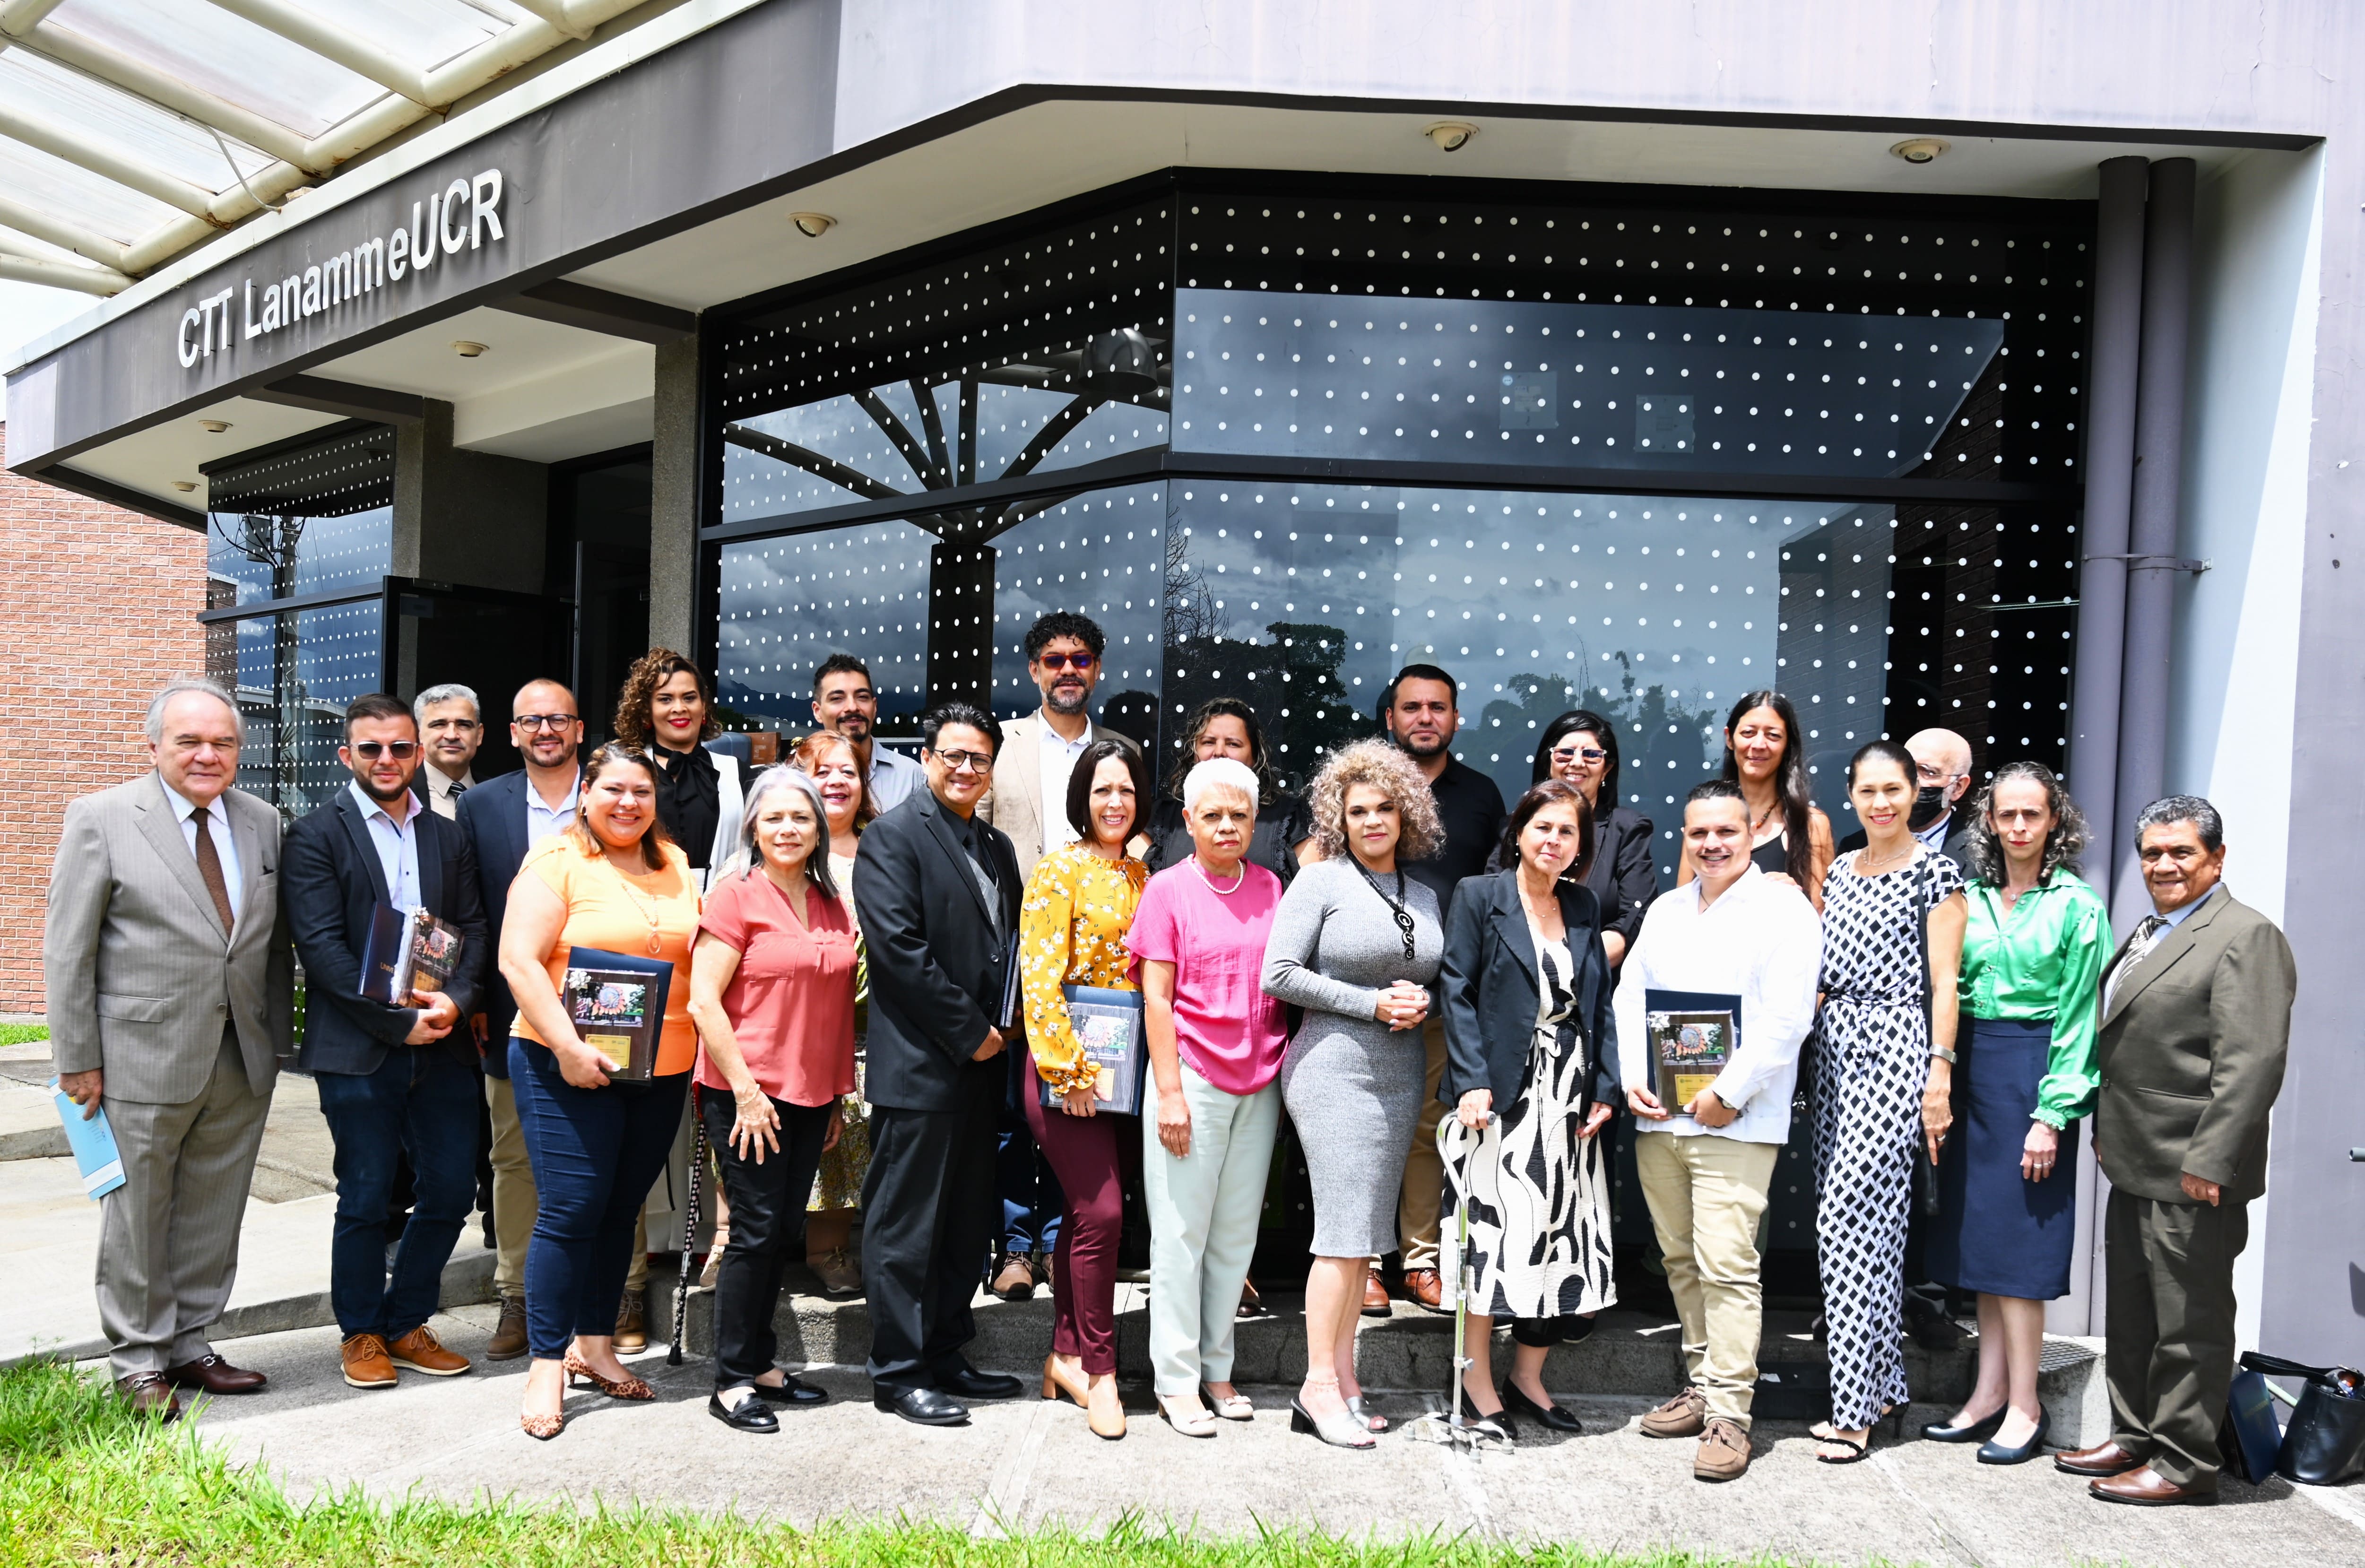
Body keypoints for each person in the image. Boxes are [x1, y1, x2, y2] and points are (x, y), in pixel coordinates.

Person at [45, 677, 295, 1419]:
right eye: (189, 740)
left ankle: (190, 1344)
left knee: (213, 1211)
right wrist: (77, 1058)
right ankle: (136, 1361)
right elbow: (68, 951)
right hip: (137, 1058)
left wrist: (276, 1039)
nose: (207, 754)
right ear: (153, 745)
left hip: (240, 1054)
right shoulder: (102, 817)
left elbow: (271, 945)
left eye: (223, 742)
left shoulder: (262, 820)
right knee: (138, 1216)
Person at [2053, 797, 2295, 1507]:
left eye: (2180, 852)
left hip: (2193, 1170)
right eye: (2152, 853)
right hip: (2133, 1160)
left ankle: (2185, 1463)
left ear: (2215, 858)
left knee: (2187, 1324)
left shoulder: (2244, 937)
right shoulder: (2153, 930)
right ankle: (2134, 1437)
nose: (2163, 865)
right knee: (2133, 1315)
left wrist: (2211, 1160)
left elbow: (2250, 1062)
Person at [1615, 780, 1823, 1482]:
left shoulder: (1782, 908)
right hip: (1660, 1115)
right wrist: (1629, 1077)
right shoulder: (1669, 909)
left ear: (1750, 834)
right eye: (1697, 833)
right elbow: (1629, 997)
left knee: (1728, 1265)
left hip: (1735, 1120)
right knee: (1677, 1259)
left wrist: (1728, 1093)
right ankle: (1701, 1384)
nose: (1710, 844)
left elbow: (1787, 1017)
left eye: (1724, 833)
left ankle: (1731, 1414)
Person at [280, 693, 488, 1390]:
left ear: (418, 753)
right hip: (359, 1049)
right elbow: (323, 951)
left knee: (452, 1190)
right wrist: (400, 1023)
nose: (387, 760)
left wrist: (454, 1005)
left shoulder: (449, 835)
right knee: (368, 1195)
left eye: (400, 747)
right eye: (371, 748)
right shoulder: (314, 835)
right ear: (347, 755)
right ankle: (362, 1331)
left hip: (445, 1045)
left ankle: (407, 1322)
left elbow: (474, 930)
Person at [497, 741, 701, 1440]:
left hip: (659, 1065)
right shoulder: (555, 861)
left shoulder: (672, 863)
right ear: (586, 792)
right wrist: (567, 1047)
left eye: (641, 792)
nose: (627, 804)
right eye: (613, 789)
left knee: (621, 1210)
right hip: (564, 1061)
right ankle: (546, 1362)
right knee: (571, 1207)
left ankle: (595, 1346)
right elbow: (517, 961)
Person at [1920, 762, 2108, 1464]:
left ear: (2054, 820)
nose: (2019, 827)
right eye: (2006, 815)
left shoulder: (2077, 906)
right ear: (1989, 821)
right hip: (1972, 1071)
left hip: (2033, 1076)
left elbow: (2079, 1017)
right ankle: (1987, 1392)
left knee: (2022, 1254)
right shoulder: (1967, 896)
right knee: (1984, 1251)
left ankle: (2025, 1405)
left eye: (2032, 814)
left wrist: (2051, 1113)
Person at [1261, 740, 1446, 1448]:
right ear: (1338, 817)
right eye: (1357, 810)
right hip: (1331, 1072)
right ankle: (1314, 1386)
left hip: (1400, 1076)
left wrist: (1415, 1002)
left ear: (1407, 814)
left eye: (1384, 808)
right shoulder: (1319, 880)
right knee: (1339, 1239)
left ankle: (1342, 1380)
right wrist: (1371, 1005)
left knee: (1364, 1241)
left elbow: (1424, 978)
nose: (1372, 820)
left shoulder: (1422, 894)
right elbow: (1277, 973)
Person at [849, 703, 1028, 1427]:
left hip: (985, 1068)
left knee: (961, 1221)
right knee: (905, 1226)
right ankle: (897, 1371)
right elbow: (898, 953)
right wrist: (972, 1030)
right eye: (951, 755)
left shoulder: (996, 845)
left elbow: (1009, 949)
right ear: (925, 757)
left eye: (977, 759)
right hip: (923, 1067)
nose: (964, 768)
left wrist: (1008, 1029)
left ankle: (947, 1350)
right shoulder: (892, 837)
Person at [1438, 779, 1622, 1440]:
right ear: (1518, 831)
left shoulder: (1581, 904)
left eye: (1567, 831)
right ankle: (1474, 1379)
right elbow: (1454, 990)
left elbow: (1596, 1004)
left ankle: (1527, 1377)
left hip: (1566, 1100)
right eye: (1542, 826)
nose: (1553, 840)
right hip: (1496, 1100)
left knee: (1555, 1239)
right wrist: (1469, 1080)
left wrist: (1604, 1088)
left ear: (1581, 845)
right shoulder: (1477, 896)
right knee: (1493, 1237)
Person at [1805, 740, 1966, 1464]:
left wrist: (1937, 1075)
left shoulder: (1936, 871)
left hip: (1897, 1048)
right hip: (1835, 1052)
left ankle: (1854, 1410)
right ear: (1851, 795)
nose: (1880, 803)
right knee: (1869, 1230)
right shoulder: (1840, 868)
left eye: (1893, 789)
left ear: (1914, 793)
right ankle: (1885, 1382)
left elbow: (1945, 983)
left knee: (1847, 1221)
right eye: (1867, 790)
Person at [686, 767, 857, 1432]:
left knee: (781, 1231)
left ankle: (759, 1362)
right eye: (774, 818)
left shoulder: (830, 902)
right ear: (753, 826)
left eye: (801, 818)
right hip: (746, 1093)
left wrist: (837, 1094)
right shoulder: (734, 898)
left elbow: (835, 1005)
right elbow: (704, 1000)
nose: (787, 830)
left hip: (811, 1095)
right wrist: (748, 1092)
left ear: (819, 827)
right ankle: (731, 1380)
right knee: (754, 1235)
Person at [1128, 757, 1291, 1438]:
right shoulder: (1165, 889)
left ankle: (1217, 1368)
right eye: (1213, 814)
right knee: (1178, 1236)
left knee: (1233, 1237)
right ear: (1188, 819)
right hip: (1190, 1077)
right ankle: (1174, 1379)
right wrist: (1168, 1092)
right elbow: (1155, 998)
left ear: (1255, 823)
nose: (1228, 826)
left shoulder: (1271, 886)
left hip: (1261, 1078)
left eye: (1240, 815)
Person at [979, 612, 1134, 1300]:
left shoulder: (1120, 751)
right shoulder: (1001, 744)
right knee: (1020, 1110)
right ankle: (1015, 1246)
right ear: (1033, 669)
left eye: (1080, 658)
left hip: (1098, 983)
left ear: (1096, 668)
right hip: (1021, 955)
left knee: (1089, 1116)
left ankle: (1060, 1242)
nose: (1067, 669)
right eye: (1053, 659)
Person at [1019, 737, 1152, 1441]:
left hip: (1127, 1074)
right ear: (1081, 797)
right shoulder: (1057, 869)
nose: (1114, 802)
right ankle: (1100, 1371)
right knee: (1101, 1215)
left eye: (1126, 790)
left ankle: (1062, 1356)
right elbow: (1038, 978)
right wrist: (1067, 1074)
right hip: (1065, 1071)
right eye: (1102, 789)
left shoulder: (1143, 872)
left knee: (1083, 1216)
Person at [455, 678, 582, 1361]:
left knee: (606, 1156)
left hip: (608, 1012)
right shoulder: (481, 805)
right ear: (511, 732)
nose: (545, 731)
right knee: (513, 1157)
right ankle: (517, 1297)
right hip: (513, 1011)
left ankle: (614, 1292)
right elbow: (471, 909)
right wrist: (474, 998)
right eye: (531, 720)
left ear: (579, 729)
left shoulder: (616, 791)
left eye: (557, 719)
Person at [1380, 663, 1507, 1312]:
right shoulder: (1366, 787)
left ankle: (1418, 1260)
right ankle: (1365, 1261)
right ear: (1389, 718)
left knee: (1429, 1128)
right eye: (1411, 707)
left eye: (1437, 707)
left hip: (1441, 995)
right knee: (1368, 1129)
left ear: (1455, 718)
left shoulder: (1482, 795)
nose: (1424, 717)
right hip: (1365, 996)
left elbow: (1493, 893)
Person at [788, 729, 873, 1299]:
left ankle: (828, 1247)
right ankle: (734, 1241)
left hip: (865, 1029)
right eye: (824, 770)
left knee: (848, 1138)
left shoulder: (883, 846)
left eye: (848, 770)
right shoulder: (786, 842)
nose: (837, 780)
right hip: (792, 1025)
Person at [1513, 709, 1659, 967]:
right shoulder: (1514, 827)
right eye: (1566, 753)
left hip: (1596, 986)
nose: (1577, 762)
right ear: (1549, 761)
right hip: (1517, 983)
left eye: (1591, 755)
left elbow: (1634, 919)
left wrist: (1569, 968)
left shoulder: (1627, 830)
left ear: (1607, 769)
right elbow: (1492, 907)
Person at [1681, 691, 1834, 911]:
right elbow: (1681, 909)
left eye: (1773, 735)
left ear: (1787, 745)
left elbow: (1820, 915)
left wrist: (1794, 898)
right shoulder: (1704, 815)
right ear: (1729, 738)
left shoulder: (1811, 824)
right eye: (1748, 733)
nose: (1759, 744)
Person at [1144, 698, 1317, 883]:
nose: (1219, 752)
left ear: (1255, 756)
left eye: (1233, 744)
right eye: (1209, 742)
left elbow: (1313, 894)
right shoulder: (1160, 817)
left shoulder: (1292, 818)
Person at [616, 646, 745, 887]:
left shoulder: (736, 772)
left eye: (689, 698)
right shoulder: (625, 771)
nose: (680, 708)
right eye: (665, 699)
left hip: (722, 912)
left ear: (704, 708)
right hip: (645, 910)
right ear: (647, 711)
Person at [1837, 727, 1975, 863]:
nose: (1913, 781)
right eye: (1907, 769)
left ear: (1958, 787)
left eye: (1928, 772)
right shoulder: (1853, 847)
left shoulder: (1980, 854)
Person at [813, 653, 924, 816]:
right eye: (837, 698)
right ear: (818, 711)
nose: (852, 707)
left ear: (875, 707)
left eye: (862, 697)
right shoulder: (798, 777)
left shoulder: (911, 776)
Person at [414, 683, 483, 821]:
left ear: (479, 735)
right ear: (419, 733)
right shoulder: (401, 794)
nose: (452, 735)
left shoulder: (499, 795)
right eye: (439, 724)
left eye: (463, 725)